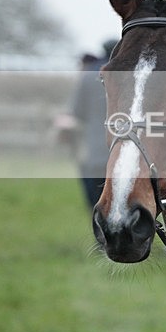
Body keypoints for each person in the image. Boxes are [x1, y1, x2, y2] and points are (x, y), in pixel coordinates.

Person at [69, 39, 117, 210]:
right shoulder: (132, 72)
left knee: (98, 209)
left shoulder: (88, 75)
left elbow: (77, 112)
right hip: (126, 155)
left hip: (95, 154)